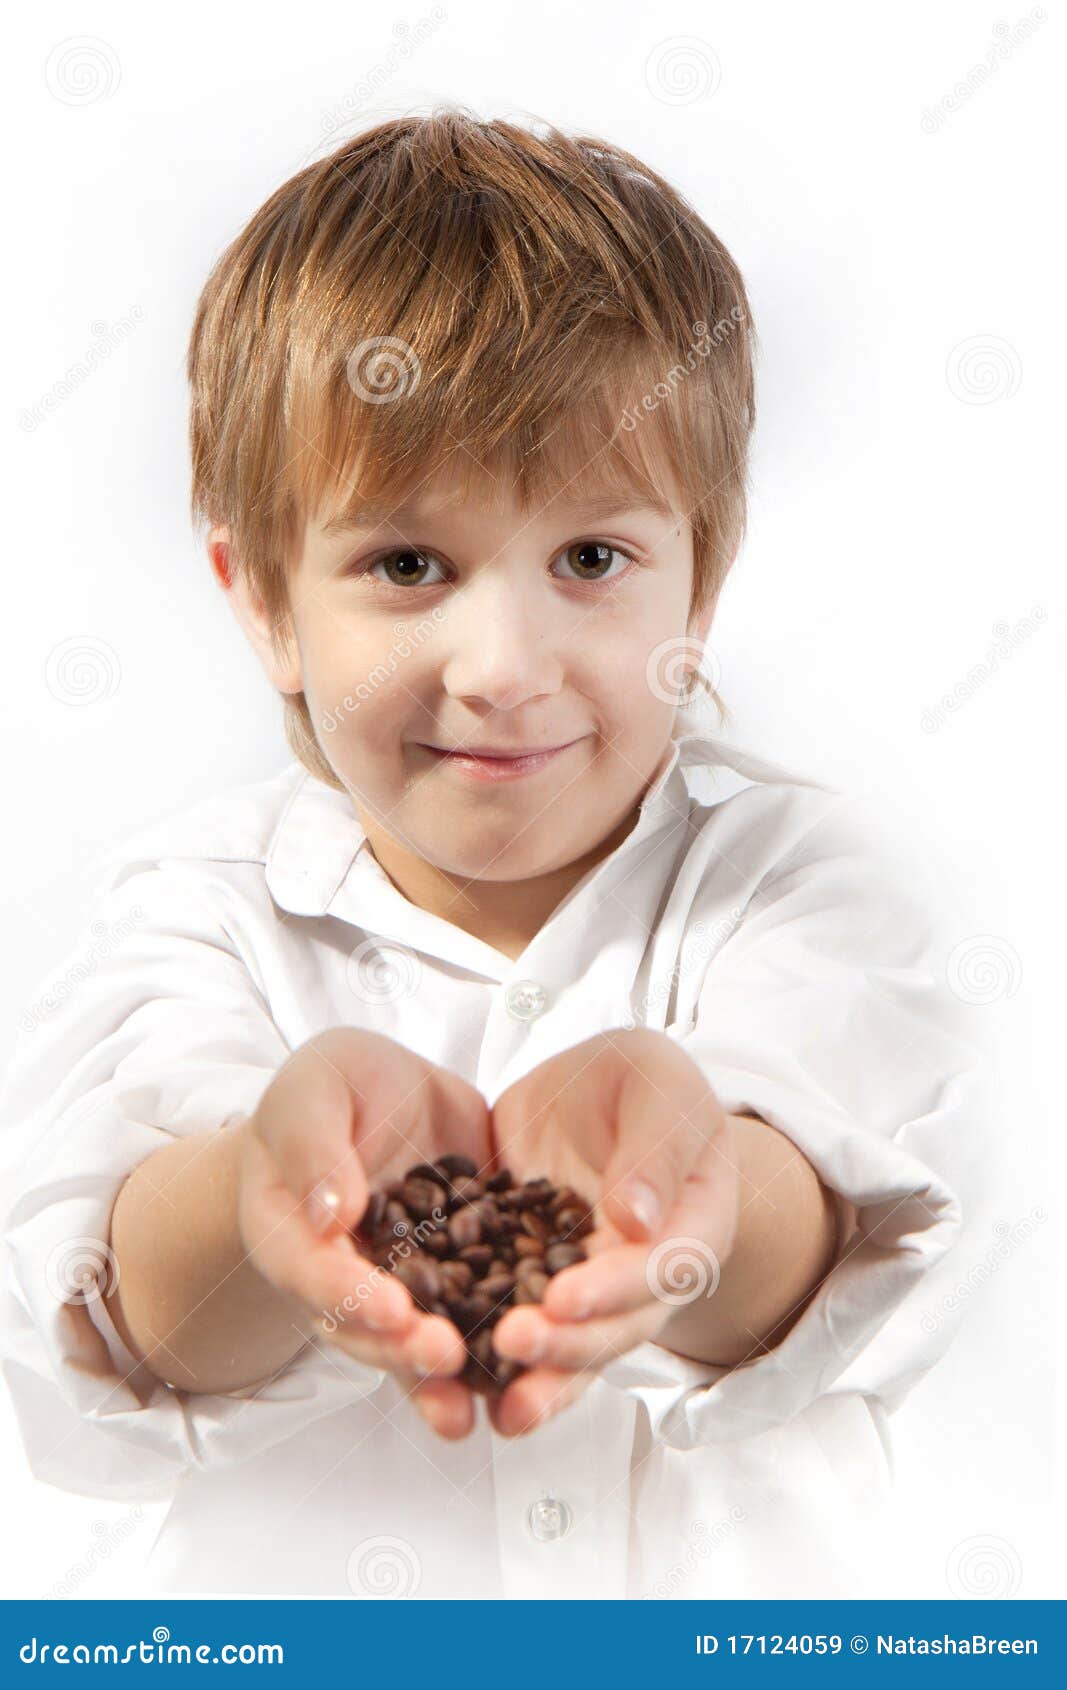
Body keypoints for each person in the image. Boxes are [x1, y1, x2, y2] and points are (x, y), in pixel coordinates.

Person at [0, 109, 982, 1600]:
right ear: (263, 597)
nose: (506, 666)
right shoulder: (195, 914)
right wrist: (269, 1192)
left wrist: (701, 1184)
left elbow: (837, 1243)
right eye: (408, 565)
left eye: (592, 560)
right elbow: (123, 1318)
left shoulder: (808, 883)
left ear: (701, 581)